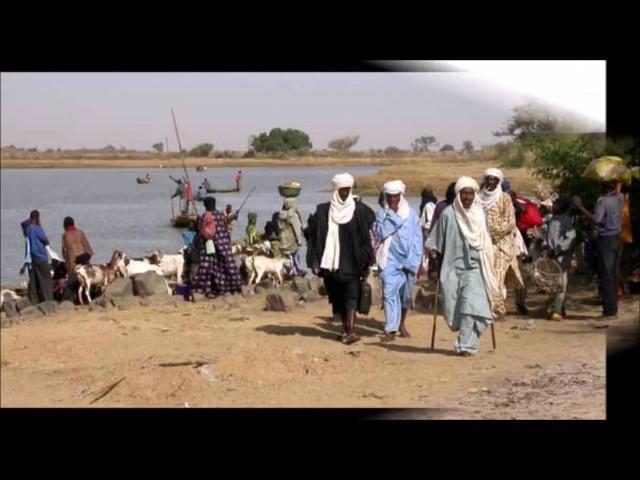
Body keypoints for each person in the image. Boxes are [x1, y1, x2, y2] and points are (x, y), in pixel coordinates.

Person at [425, 176, 499, 356]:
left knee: (470, 305)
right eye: (464, 193)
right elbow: (435, 245)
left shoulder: (480, 215)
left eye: (470, 193)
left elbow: (487, 241)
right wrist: (434, 268)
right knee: (454, 307)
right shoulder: (448, 215)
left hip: (475, 267)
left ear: (475, 195)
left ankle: (466, 345)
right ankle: (467, 336)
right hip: (451, 268)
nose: (467, 197)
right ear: (458, 195)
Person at [305, 173, 376, 344]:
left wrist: (367, 259)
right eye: (342, 191)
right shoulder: (323, 211)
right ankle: (345, 329)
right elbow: (310, 234)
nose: (344, 194)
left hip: (352, 263)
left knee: (351, 297)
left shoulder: (360, 210)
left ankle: (350, 331)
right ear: (336, 191)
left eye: (347, 191)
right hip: (331, 266)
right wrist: (315, 258)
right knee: (338, 299)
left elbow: (368, 232)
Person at [375, 180, 423, 341]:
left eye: (396, 197)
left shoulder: (411, 214)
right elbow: (380, 234)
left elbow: (417, 238)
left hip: (409, 259)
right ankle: (391, 329)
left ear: (400, 196)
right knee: (389, 292)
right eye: (390, 197)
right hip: (389, 259)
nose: (393, 200)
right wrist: (393, 218)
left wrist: (417, 260)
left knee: (405, 296)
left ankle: (401, 323)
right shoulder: (382, 214)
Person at [573, 180, 624, 319]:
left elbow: (597, 219)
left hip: (606, 240)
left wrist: (580, 207)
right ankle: (612, 308)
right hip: (617, 239)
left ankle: (609, 311)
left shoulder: (603, 201)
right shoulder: (620, 198)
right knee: (613, 274)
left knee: (606, 275)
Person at [480, 168, 526, 317]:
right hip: (484, 244)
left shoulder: (505, 198)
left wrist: (493, 232)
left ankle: (498, 308)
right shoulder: (480, 197)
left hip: (502, 245)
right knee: (486, 275)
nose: (490, 181)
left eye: (494, 179)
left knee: (498, 276)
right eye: (488, 178)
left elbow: (510, 222)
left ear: (498, 181)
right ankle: (488, 305)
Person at [190, 197, 243, 297]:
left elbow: (202, 231)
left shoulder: (206, 216)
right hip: (224, 244)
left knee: (207, 267)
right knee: (225, 266)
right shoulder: (221, 215)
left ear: (206, 206)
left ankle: (206, 288)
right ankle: (232, 286)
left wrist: (198, 221)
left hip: (210, 244)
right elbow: (225, 228)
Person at [543, 197, 576, 321]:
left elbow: (570, 238)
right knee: (551, 283)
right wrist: (546, 247)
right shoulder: (551, 220)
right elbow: (547, 236)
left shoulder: (566, 221)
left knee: (561, 283)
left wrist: (557, 249)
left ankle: (557, 310)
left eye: (556, 205)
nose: (553, 206)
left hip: (562, 258)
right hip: (551, 258)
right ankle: (556, 308)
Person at [25, 210, 54, 304]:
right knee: (46, 280)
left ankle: (34, 302)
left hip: (32, 259)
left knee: (34, 282)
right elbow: (46, 241)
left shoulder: (28, 229)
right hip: (41, 257)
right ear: (37, 218)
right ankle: (49, 301)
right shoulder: (37, 228)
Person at [278, 198, 305, 275]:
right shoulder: (292, 215)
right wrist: (299, 240)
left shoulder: (280, 214)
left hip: (283, 239)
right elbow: (297, 228)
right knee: (294, 256)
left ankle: (288, 271)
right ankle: (295, 272)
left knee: (286, 256)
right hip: (291, 240)